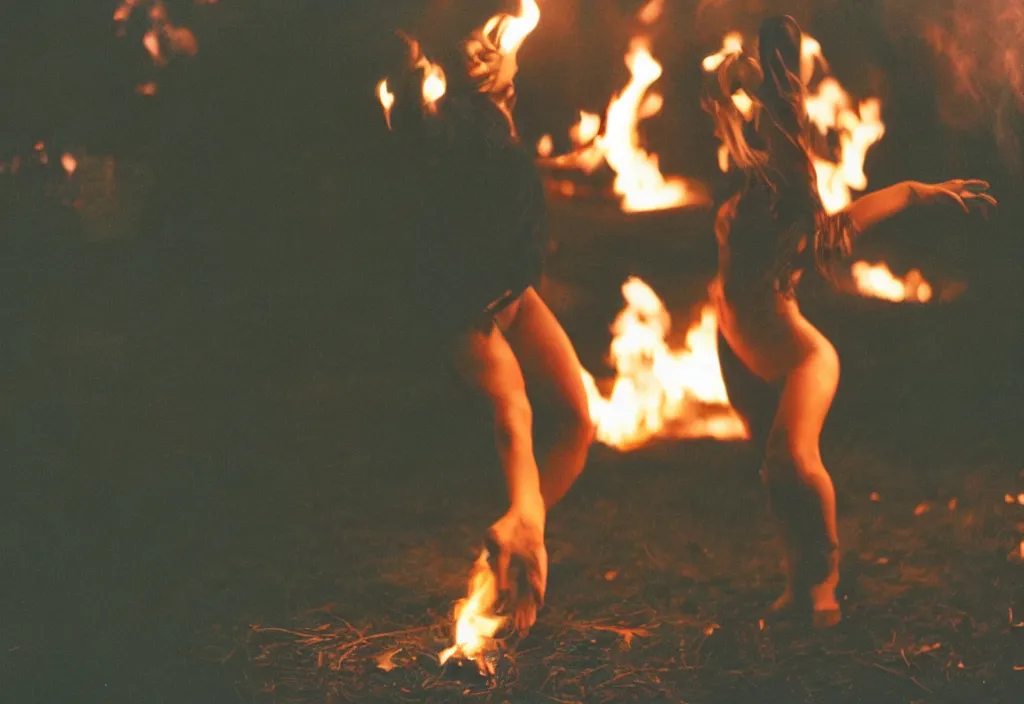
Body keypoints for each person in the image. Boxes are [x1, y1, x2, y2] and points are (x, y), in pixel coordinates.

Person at [702, 15, 996, 626]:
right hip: (736, 340)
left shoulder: (786, 199)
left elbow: (788, 131)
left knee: (793, 461)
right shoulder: (767, 187)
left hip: (796, 355)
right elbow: (743, 121)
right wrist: (918, 190)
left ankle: (824, 584)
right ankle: (799, 584)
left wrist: (779, 71)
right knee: (773, 475)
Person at [376, 22, 595, 634]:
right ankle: (519, 528)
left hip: (513, 295)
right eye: (473, 48)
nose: (488, 51)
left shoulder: (495, 118)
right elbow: (421, 129)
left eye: (489, 43)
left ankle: (515, 537)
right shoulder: (457, 124)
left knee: (576, 422)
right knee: (514, 416)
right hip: (465, 310)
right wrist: (409, 73)